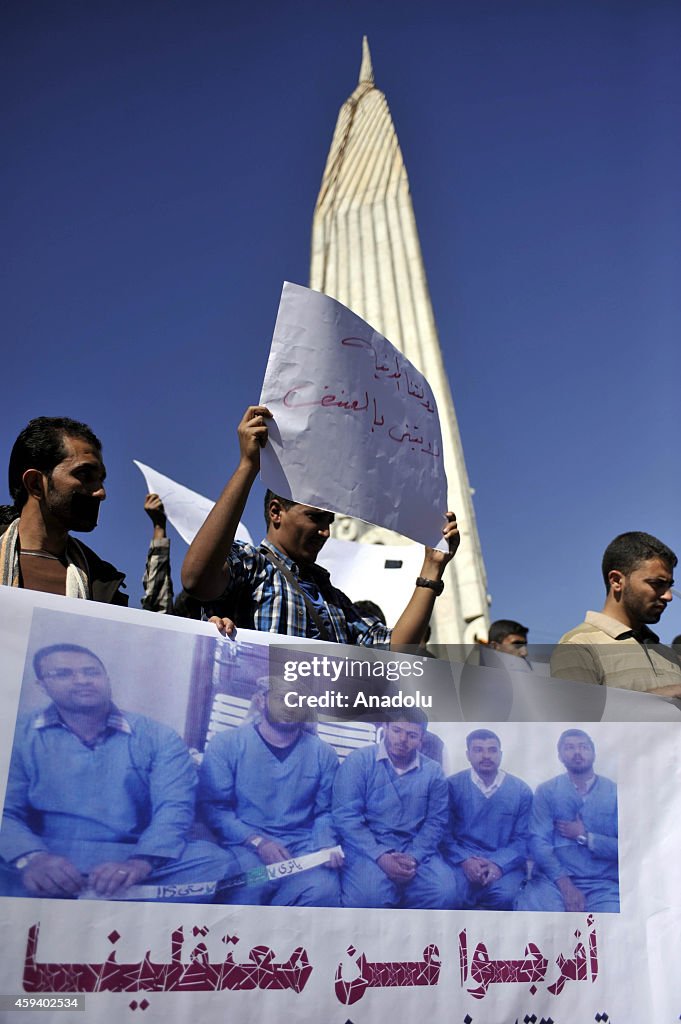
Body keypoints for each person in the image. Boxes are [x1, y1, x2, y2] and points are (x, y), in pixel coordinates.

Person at [181, 405, 459, 647]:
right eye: (314, 517)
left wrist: (432, 568)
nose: (325, 532)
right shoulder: (253, 566)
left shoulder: (333, 600)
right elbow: (197, 578)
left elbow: (394, 653)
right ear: (276, 512)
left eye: (329, 521)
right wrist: (248, 467)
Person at [0, 644, 231, 900]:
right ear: (42, 685)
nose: (82, 681)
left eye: (91, 672)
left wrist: (140, 863)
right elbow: (6, 811)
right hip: (46, 849)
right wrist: (33, 859)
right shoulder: (16, 733)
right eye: (63, 674)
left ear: (106, 679)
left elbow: (174, 808)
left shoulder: (158, 737)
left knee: (214, 861)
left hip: (130, 851)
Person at [198, 680, 342, 907]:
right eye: (280, 698)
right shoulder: (226, 745)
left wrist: (325, 844)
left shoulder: (322, 753)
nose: (289, 706)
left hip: (302, 844)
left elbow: (326, 811)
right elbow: (214, 807)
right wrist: (258, 842)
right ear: (261, 700)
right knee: (250, 887)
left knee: (323, 890)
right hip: (246, 843)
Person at [332, 710, 456, 909]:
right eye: (397, 730)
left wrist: (414, 856)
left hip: (416, 848)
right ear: (385, 727)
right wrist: (380, 855)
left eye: (412, 735)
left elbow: (436, 822)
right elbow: (346, 816)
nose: (402, 739)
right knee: (368, 898)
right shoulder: (359, 761)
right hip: (368, 847)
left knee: (444, 892)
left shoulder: (433, 772)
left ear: (422, 739)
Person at [0, 417, 126, 604]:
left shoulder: (102, 582)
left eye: (101, 479)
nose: (101, 492)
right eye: (84, 475)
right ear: (35, 484)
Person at [551, 532, 681, 694]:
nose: (668, 596)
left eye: (669, 585)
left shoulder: (669, 655)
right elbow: (576, 716)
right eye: (657, 584)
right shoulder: (579, 646)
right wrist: (662, 696)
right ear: (616, 581)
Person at [516, 729, 619, 913]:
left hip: (602, 883)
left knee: (611, 925)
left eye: (583, 747)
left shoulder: (615, 792)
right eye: (569, 748)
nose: (577, 752)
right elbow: (538, 842)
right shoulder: (546, 791)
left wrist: (586, 837)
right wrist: (565, 885)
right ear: (560, 755)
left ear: (593, 753)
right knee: (535, 915)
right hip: (552, 881)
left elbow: (625, 847)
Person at [444, 729, 531, 910]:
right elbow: (443, 834)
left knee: (508, 897)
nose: (486, 756)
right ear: (468, 755)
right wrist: (465, 860)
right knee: (448, 895)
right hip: (461, 863)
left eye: (492, 750)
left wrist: (498, 864)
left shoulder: (521, 791)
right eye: (478, 750)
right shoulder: (451, 786)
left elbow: (524, 839)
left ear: (500, 754)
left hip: (505, 865)